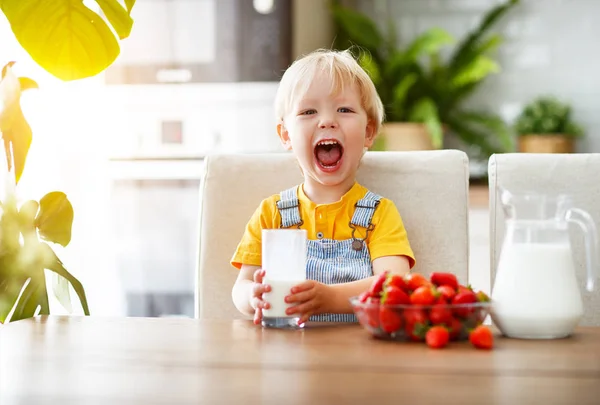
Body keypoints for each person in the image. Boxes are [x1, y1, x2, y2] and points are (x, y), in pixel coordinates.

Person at [230, 49, 415, 325]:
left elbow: (394, 285)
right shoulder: (272, 214)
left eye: (344, 109)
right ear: (285, 135)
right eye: (308, 111)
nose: (327, 120)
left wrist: (330, 298)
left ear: (368, 132)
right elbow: (240, 286)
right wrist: (252, 296)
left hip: (360, 358)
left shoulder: (379, 213)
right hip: (290, 356)